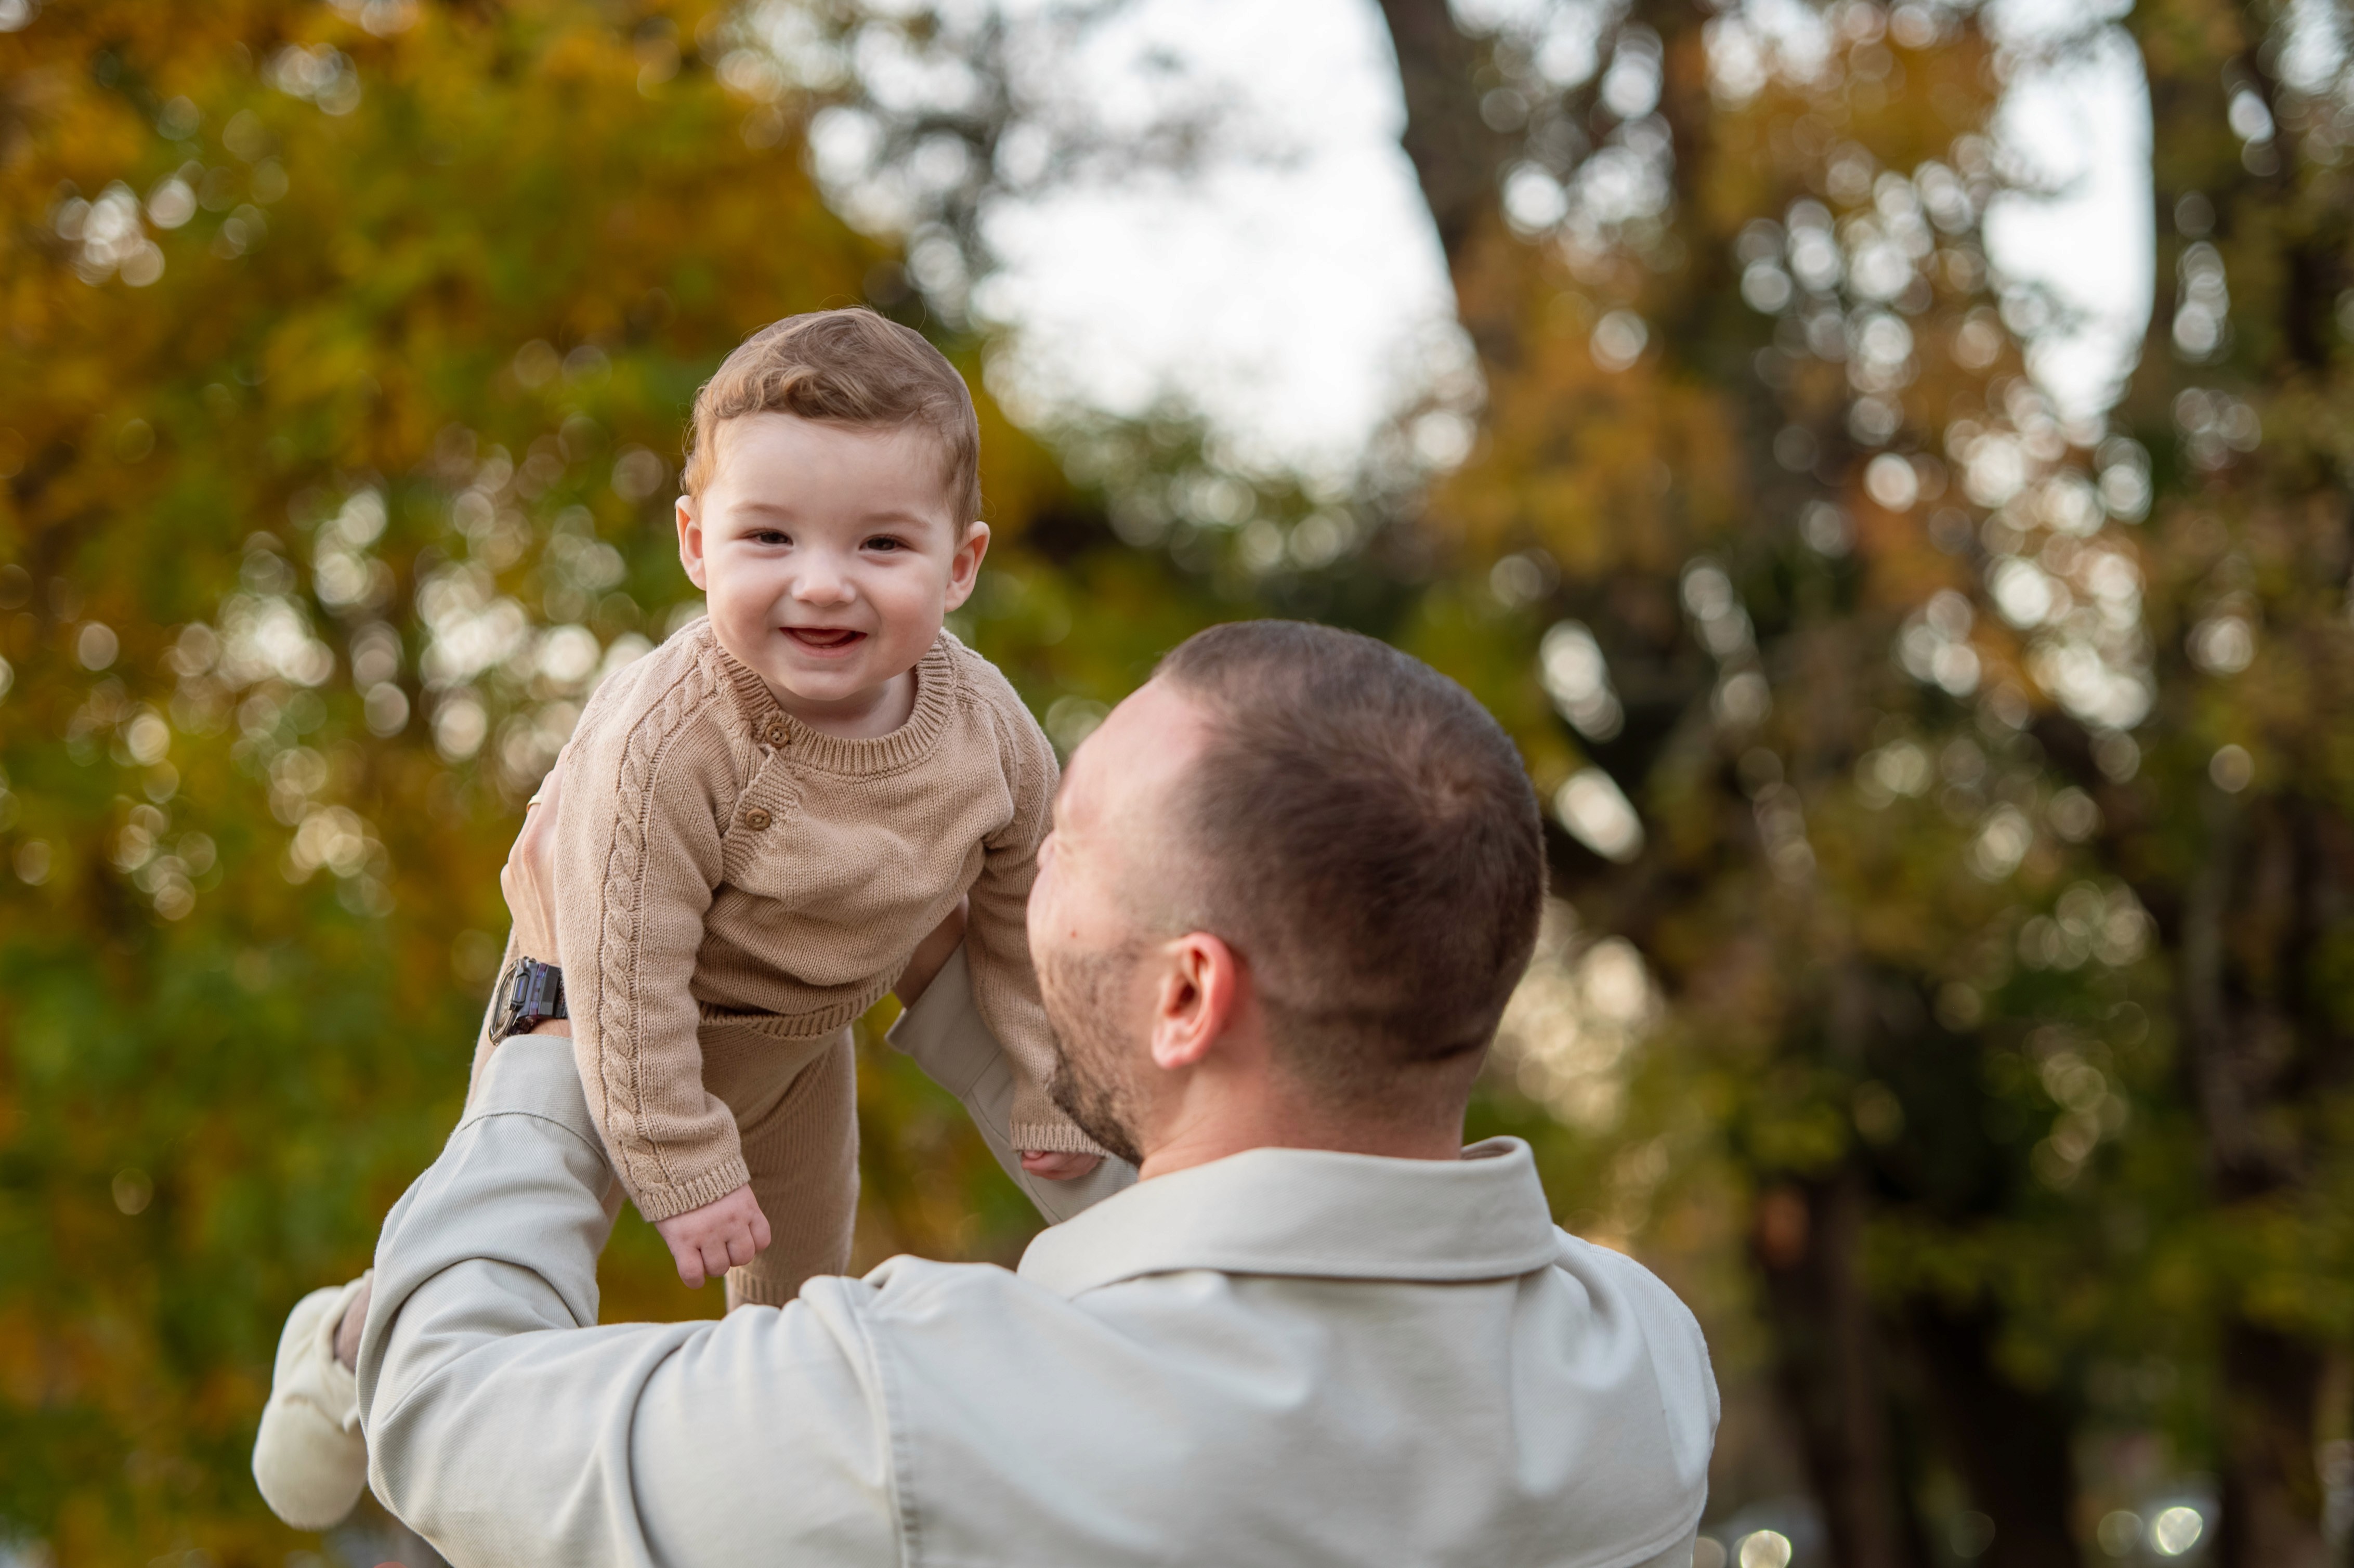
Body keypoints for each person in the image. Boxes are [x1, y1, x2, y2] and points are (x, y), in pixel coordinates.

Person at [291, 620, 1719, 1563]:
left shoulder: (921, 1416)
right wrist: (955, 991)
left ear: (1184, 996)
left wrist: (553, 996)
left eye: (1070, 844)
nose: (1021, 872)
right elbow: (1255, 1264)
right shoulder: (1645, 1374)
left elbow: (446, 1408)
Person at [487, 305, 1102, 1307]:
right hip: (609, 1029)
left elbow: (1024, 909)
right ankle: (357, 1334)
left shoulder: (985, 725)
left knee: (805, 1286)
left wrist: (1050, 1080)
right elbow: (626, 961)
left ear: (960, 565)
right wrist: (683, 1162)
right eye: (769, 536)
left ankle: (770, 1448)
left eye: (881, 545)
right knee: (524, 1243)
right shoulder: (676, 739)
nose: (822, 585)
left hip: (808, 1046)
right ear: (696, 543)